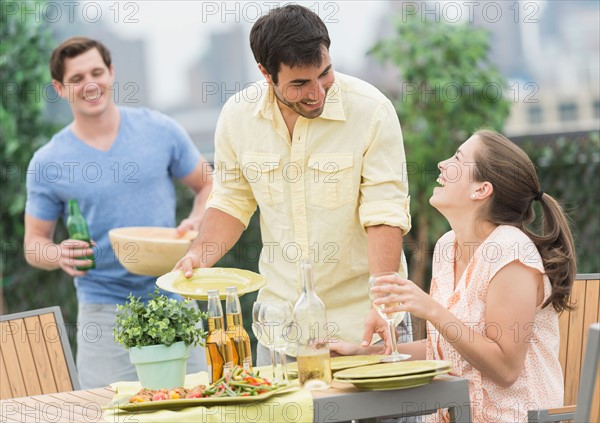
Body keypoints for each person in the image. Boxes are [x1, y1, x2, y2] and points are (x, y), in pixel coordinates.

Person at [175, 4, 413, 364]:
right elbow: (231, 202)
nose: (317, 92)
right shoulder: (238, 117)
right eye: (300, 83)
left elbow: (385, 211)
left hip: (365, 321)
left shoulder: (372, 111)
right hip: (282, 329)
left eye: (325, 74)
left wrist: (382, 305)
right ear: (265, 73)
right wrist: (198, 254)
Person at [331, 129, 576, 423]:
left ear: (481, 190)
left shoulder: (510, 252)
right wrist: (365, 354)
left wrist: (431, 310)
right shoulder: (448, 246)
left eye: (458, 159)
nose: (442, 164)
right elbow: (448, 350)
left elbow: (505, 368)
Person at [24, 37, 213, 389]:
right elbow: (34, 243)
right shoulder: (47, 162)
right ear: (59, 88)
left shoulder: (160, 129)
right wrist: (56, 254)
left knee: (200, 404)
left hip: (173, 292)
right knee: (107, 410)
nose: (90, 84)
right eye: (77, 78)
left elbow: (207, 184)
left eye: (97, 72)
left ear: (111, 73)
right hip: (104, 310)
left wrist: (198, 219)